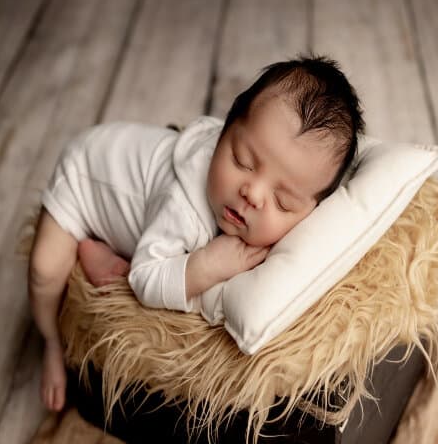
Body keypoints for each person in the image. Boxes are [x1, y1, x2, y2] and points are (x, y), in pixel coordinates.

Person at [27, 54, 365, 412]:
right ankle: (50, 340)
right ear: (224, 131)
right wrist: (203, 266)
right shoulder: (184, 206)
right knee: (44, 269)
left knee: (154, 235)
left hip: (135, 182)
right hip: (85, 174)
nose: (252, 193)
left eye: (282, 201)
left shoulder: (273, 209)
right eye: (243, 161)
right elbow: (145, 279)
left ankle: (100, 247)